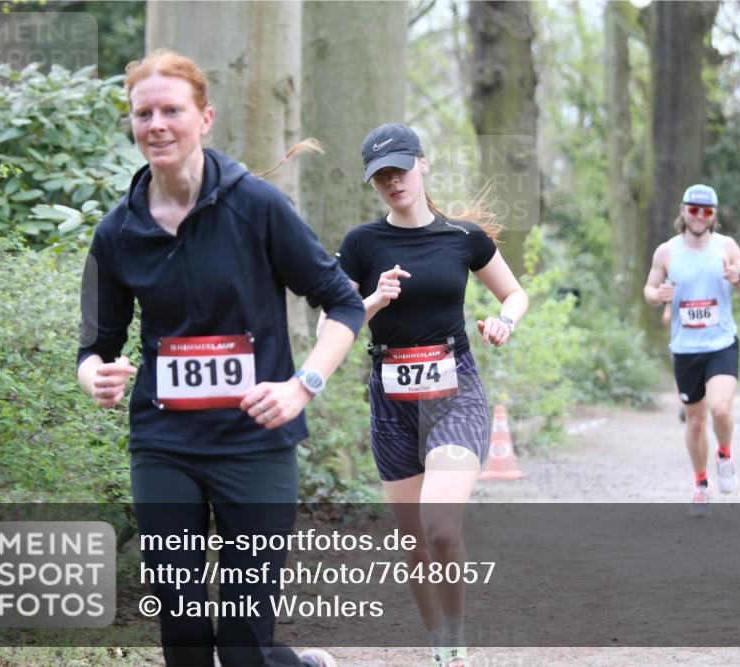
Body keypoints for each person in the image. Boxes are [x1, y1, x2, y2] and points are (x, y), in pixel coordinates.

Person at [76, 49, 363, 667]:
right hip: (164, 444)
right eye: (143, 113)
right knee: (180, 627)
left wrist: (302, 385)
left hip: (256, 442)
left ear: (204, 118)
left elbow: (343, 303)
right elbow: (95, 347)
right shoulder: (115, 233)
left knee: (242, 643)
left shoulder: (257, 206)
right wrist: (94, 376)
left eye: (172, 111)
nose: (157, 124)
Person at [320, 124, 528, 667]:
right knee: (413, 541)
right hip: (391, 403)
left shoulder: (463, 238)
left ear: (423, 164)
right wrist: (372, 301)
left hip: (455, 391)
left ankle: (455, 644)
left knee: (441, 530)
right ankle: (437, 643)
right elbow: (330, 323)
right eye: (382, 176)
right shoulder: (361, 244)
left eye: (401, 169)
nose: (394, 182)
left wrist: (504, 322)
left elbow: (514, 293)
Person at [643, 184, 740, 516]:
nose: (699, 216)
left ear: (714, 215)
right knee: (694, 422)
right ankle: (701, 484)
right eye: (694, 210)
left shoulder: (726, 247)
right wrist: (657, 295)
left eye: (706, 211)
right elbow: (649, 289)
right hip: (685, 348)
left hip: (721, 343)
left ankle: (724, 454)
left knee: (720, 409)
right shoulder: (666, 252)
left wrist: (737, 278)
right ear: (683, 211)